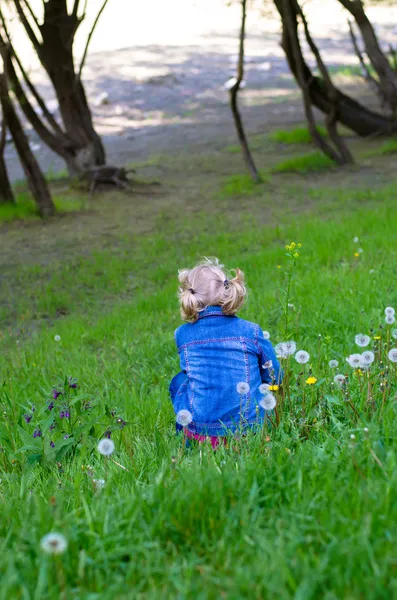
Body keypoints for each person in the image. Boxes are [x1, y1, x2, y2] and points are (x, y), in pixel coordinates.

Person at [169, 258, 282, 448]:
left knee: (178, 382)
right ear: (229, 291)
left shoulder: (182, 334)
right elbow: (275, 374)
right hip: (250, 430)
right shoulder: (251, 331)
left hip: (203, 433)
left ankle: (187, 438)